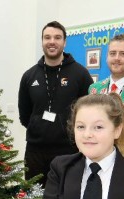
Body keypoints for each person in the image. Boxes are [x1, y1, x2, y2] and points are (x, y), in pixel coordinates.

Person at [18, 21, 93, 187]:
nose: (52, 41)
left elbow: (89, 112)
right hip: (35, 152)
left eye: (57, 37)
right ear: (42, 41)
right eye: (47, 37)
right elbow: (24, 115)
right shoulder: (29, 76)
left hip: (69, 151)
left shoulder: (80, 74)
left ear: (64, 42)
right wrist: (38, 126)